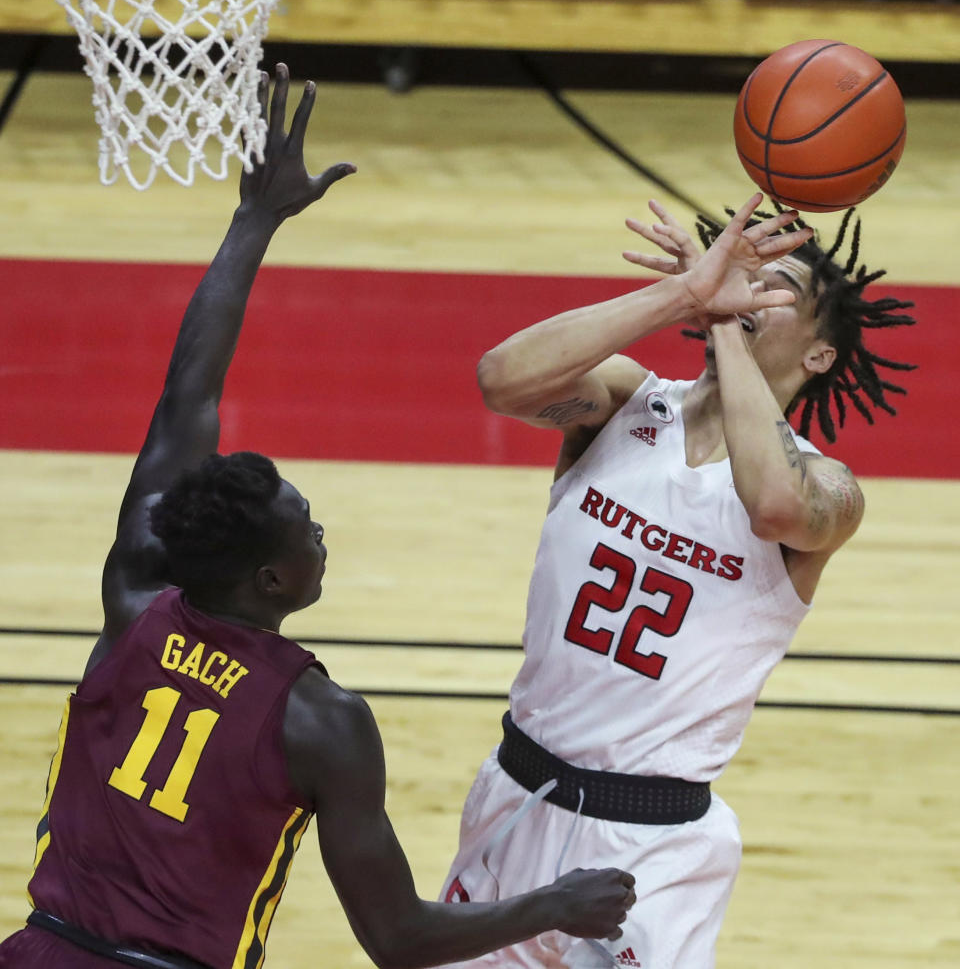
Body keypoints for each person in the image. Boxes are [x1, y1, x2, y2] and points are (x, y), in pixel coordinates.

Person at [0, 65, 636, 969]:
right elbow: (399, 937)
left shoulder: (138, 599)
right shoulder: (318, 719)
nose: (321, 533)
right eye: (307, 527)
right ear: (271, 578)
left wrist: (252, 221)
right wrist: (555, 903)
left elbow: (188, 398)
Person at [439, 194, 915, 969]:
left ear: (820, 353)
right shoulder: (624, 403)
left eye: (776, 284)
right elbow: (501, 378)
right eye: (743, 269)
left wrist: (724, 318)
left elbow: (770, 505)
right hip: (514, 799)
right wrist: (681, 296)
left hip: (650, 847)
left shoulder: (830, 490)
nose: (748, 280)